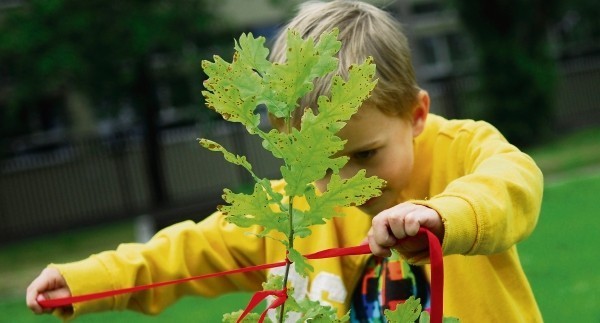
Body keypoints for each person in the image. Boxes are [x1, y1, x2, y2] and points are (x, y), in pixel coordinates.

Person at [26, 0, 544, 321]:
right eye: (317, 163)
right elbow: (188, 252)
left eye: (365, 154)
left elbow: (512, 184)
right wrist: (89, 281)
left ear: (415, 114)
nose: (340, 183)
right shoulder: (293, 210)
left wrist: (443, 217)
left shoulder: (461, 153)